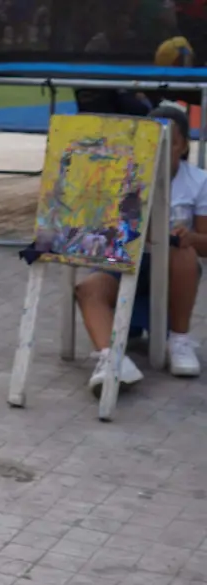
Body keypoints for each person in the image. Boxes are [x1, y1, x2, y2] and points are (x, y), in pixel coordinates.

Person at [75, 105, 205, 391]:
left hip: (172, 273)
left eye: (169, 141)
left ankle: (179, 340)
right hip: (126, 264)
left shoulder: (199, 181)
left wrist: (191, 238)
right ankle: (112, 361)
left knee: (184, 253)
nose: (159, 148)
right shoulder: (123, 176)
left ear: (183, 145)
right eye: (152, 139)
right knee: (87, 289)